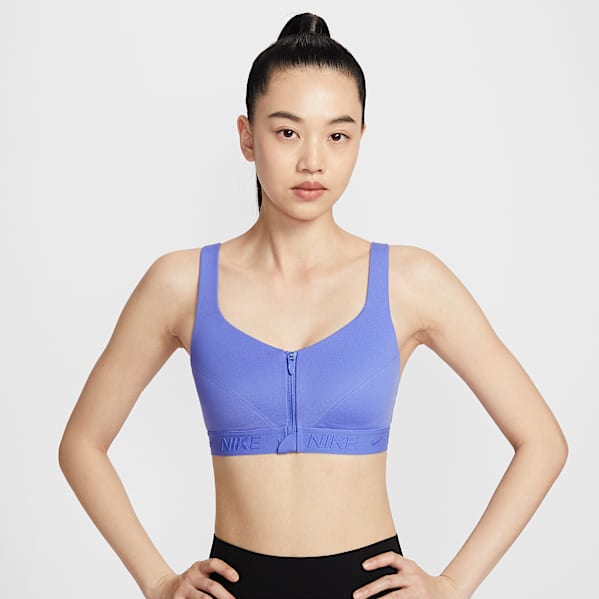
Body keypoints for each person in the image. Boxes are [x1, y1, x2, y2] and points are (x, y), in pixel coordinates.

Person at [58, 12, 568, 599]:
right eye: (287, 132)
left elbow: (543, 442)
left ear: (360, 140)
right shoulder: (181, 283)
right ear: (247, 137)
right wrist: (157, 582)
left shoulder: (412, 281)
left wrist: (452, 585)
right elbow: (82, 444)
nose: (313, 161)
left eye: (337, 135)